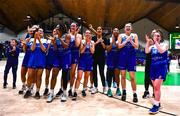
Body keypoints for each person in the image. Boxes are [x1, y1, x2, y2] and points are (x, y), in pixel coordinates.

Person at [145, 29, 168, 114]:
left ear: (160, 37)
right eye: (155, 35)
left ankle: (156, 106)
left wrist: (155, 42)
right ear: (153, 37)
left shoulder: (164, 45)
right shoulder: (152, 47)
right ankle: (158, 102)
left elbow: (161, 51)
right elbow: (146, 51)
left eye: (158, 36)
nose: (157, 37)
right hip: (153, 68)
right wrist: (148, 42)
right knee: (155, 88)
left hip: (161, 67)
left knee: (157, 86)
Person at [47, 23, 71, 102]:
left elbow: (66, 46)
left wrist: (59, 38)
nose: (56, 29)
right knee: (54, 74)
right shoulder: (55, 36)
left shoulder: (67, 36)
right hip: (58, 56)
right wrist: (54, 42)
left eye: (57, 28)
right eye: (56, 28)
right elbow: (56, 48)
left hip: (66, 57)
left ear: (62, 28)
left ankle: (64, 93)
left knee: (64, 76)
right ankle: (51, 93)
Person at [24, 27, 48, 99]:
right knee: (30, 76)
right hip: (32, 60)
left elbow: (44, 50)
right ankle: (28, 90)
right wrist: (35, 39)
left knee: (39, 77)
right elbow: (32, 49)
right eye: (38, 31)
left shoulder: (45, 40)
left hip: (41, 60)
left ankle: (37, 92)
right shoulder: (31, 40)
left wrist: (39, 40)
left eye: (41, 31)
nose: (40, 32)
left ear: (43, 33)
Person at [117, 23, 138, 102]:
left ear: (131, 28)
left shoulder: (134, 35)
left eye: (129, 27)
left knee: (132, 77)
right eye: (126, 27)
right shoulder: (121, 36)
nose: (128, 28)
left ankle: (134, 94)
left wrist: (131, 41)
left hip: (131, 58)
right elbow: (119, 46)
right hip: (122, 58)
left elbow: (136, 46)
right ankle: (124, 92)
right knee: (123, 76)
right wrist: (126, 40)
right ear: (124, 28)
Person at [72, 30, 95, 100]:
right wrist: (86, 44)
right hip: (82, 61)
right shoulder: (82, 41)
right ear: (84, 34)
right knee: (79, 76)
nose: (88, 34)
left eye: (89, 33)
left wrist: (89, 43)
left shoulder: (92, 42)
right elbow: (81, 51)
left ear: (90, 35)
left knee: (86, 77)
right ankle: (75, 91)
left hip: (89, 61)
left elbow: (92, 51)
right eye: (86, 33)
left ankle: (84, 89)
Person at [89, 25, 107, 94]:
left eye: (100, 29)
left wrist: (102, 42)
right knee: (94, 73)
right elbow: (91, 46)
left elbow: (105, 48)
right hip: (94, 57)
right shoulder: (93, 38)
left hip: (102, 58)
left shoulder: (104, 38)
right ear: (97, 31)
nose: (99, 30)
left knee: (101, 72)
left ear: (102, 31)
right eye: (98, 29)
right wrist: (97, 42)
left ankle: (104, 87)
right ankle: (95, 87)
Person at [106, 28, 121, 97]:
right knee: (109, 74)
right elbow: (108, 50)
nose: (116, 31)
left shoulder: (121, 39)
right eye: (114, 30)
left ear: (119, 32)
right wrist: (112, 42)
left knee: (117, 75)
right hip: (110, 59)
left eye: (117, 30)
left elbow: (119, 49)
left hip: (118, 59)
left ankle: (118, 88)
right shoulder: (108, 39)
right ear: (112, 32)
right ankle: (109, 89)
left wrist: (116, 42)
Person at [19, 26, 34, 94]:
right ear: (28, 32)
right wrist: (24, 45)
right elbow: (24, 51)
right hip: (26, 57)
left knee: (30, 75)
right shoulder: (27, 39)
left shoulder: (36, 39)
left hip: (33, 58)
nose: (31, 32)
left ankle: (30, 87)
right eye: (30, 31)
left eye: (32, 31)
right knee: (22, 73)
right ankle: (24, 85)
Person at [68, 23, 82, 97]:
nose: (73, 27)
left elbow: (77, 45)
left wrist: (75, 35)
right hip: (68, 54)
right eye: (72, 26)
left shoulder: (79, 35)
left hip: (75, 55)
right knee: (66, 72)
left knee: (72, 73)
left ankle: (70, 89)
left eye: (74, 26)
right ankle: (62, 89)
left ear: (76, 27)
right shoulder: (68, 34)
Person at [142, 29, 157, 98]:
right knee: (147, 76)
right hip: (149, 61)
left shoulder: (158, 42)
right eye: (152, 32)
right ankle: (146, 91)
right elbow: (146, 51)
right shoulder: (150, 41)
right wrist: (148, 42)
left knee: (154, 77)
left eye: (155, 32)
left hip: (155, 61)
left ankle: (155, 92)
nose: (154, 33)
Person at [43, 29, 57, 96]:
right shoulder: (48, 40)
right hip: (48, 59)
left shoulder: (58, 40)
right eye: (54, 31)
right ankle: (46, 88)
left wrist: (54, 42)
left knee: (54, 76)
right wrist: (50, 42)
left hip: (55, 60)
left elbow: (56, 49)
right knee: (47, 75)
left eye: (56, 31)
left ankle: (52, 90)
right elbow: (46, 50)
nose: (55, 32)